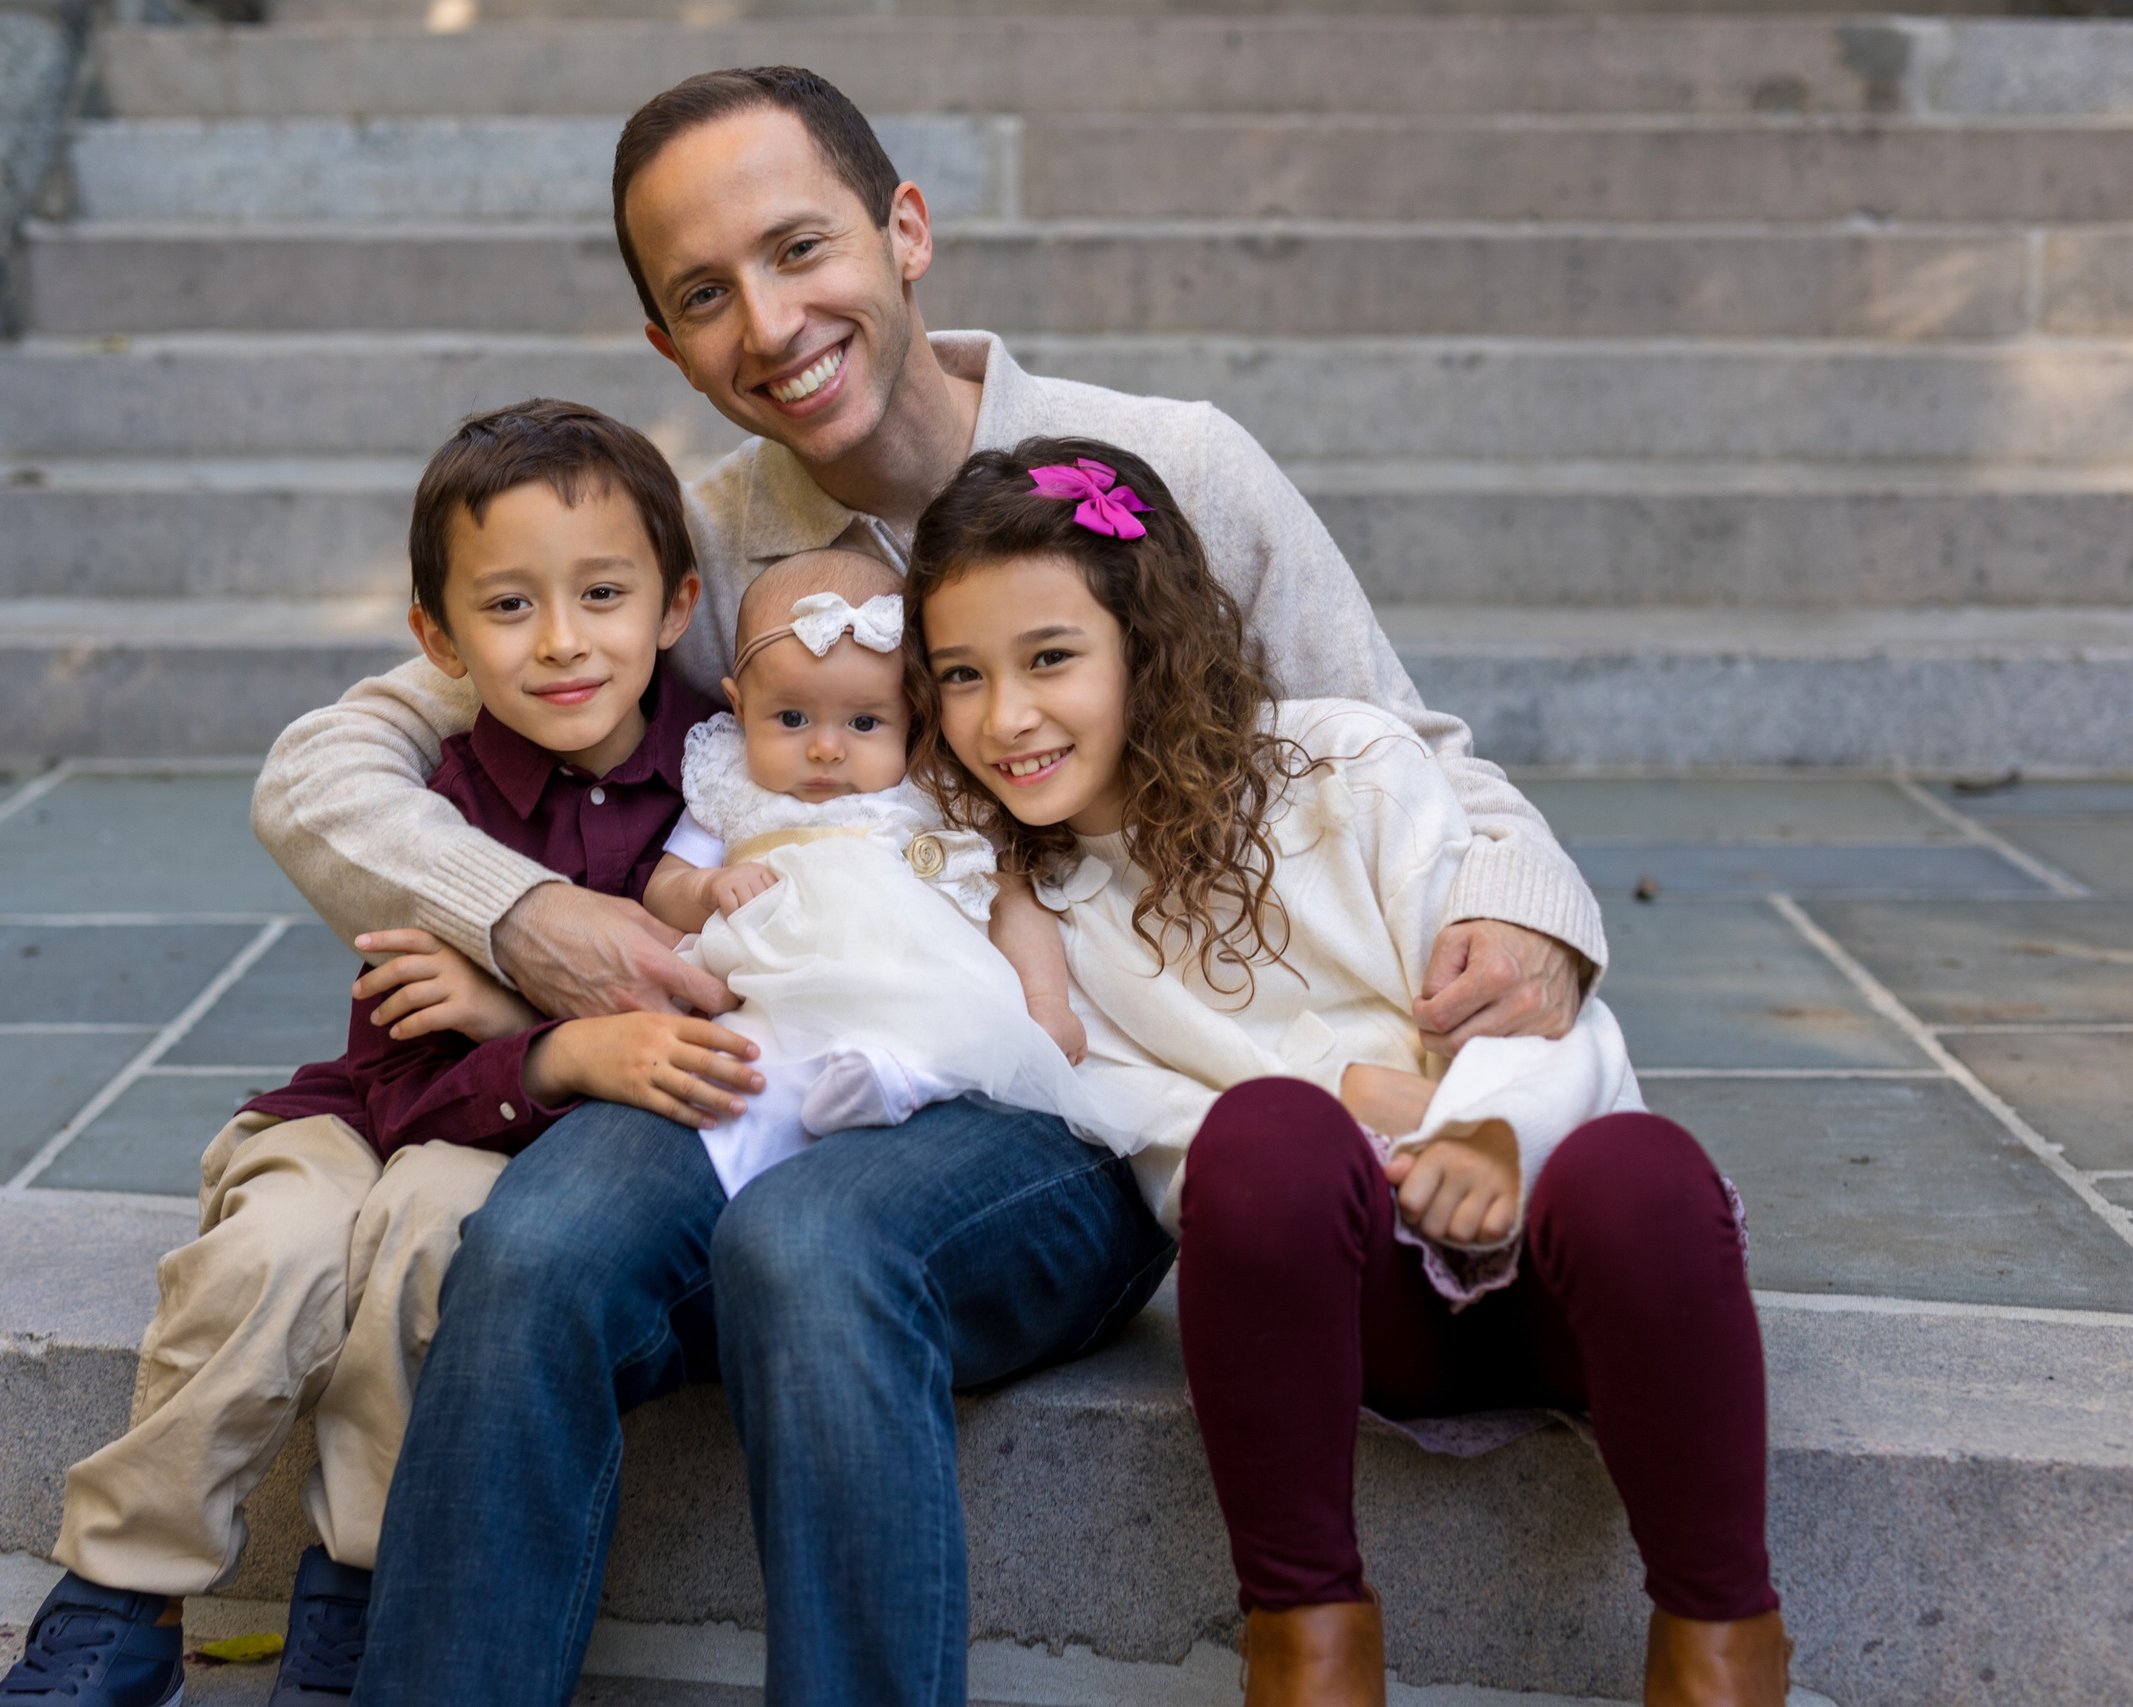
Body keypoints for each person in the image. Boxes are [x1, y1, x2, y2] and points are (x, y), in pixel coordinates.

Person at [308, 67, 1613, 1707]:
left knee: (810, 1243)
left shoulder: (1164, 468)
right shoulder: (691, 550)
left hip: (1074, 1089)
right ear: (665, 348)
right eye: (706, 295)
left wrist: (1532, 908)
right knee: (541, 1238)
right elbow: (335, 763)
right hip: (767, 1059)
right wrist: (535, 932)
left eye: (800, 249)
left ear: (904, 229)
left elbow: (1418, 745)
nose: (770, 322)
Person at [907, 437, 1786, 1707]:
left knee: (1644, 1169)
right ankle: (1310, 1650)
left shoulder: (1347, 772)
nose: (1007, 717)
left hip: (1565, 1281)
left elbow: (1553, 1025)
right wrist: (1360, 1109)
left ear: (1146, 644)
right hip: (1355, 1315)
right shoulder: (1033, 920)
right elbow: (1160, 1146)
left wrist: (1481, 1134)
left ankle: (1720, 1656)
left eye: (1050, 658)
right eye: (959, 677)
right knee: (1259, 1137)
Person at [0, 401, 761, 1707]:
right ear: (437, 638)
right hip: (362, 1115)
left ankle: (362, 1593)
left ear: (679, 602)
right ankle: (118, 1594)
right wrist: (564, 1042)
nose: (564, 639)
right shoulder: (433, 809)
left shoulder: (726, 790)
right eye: (509, 606)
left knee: (434, 1243)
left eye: (604, 593)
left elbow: (713, 1037)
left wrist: (524, 1028)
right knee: (271, 1255)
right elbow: (400, 1079)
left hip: (520, 1159)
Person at [643, 546, 1113, 1193]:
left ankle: (901, 1075)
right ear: (740, 705)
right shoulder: (728, 783)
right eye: (791, 717)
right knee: (745, 1080)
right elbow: (662, 890)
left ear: (913, 716)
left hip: (917, 988)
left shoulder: (934, 790)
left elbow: (1012, 899)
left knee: (967, 1021)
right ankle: (758, 1149)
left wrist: (1045, 1003)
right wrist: (705, 887)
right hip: (773, 1003)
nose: (826, 747)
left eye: (865, 721)